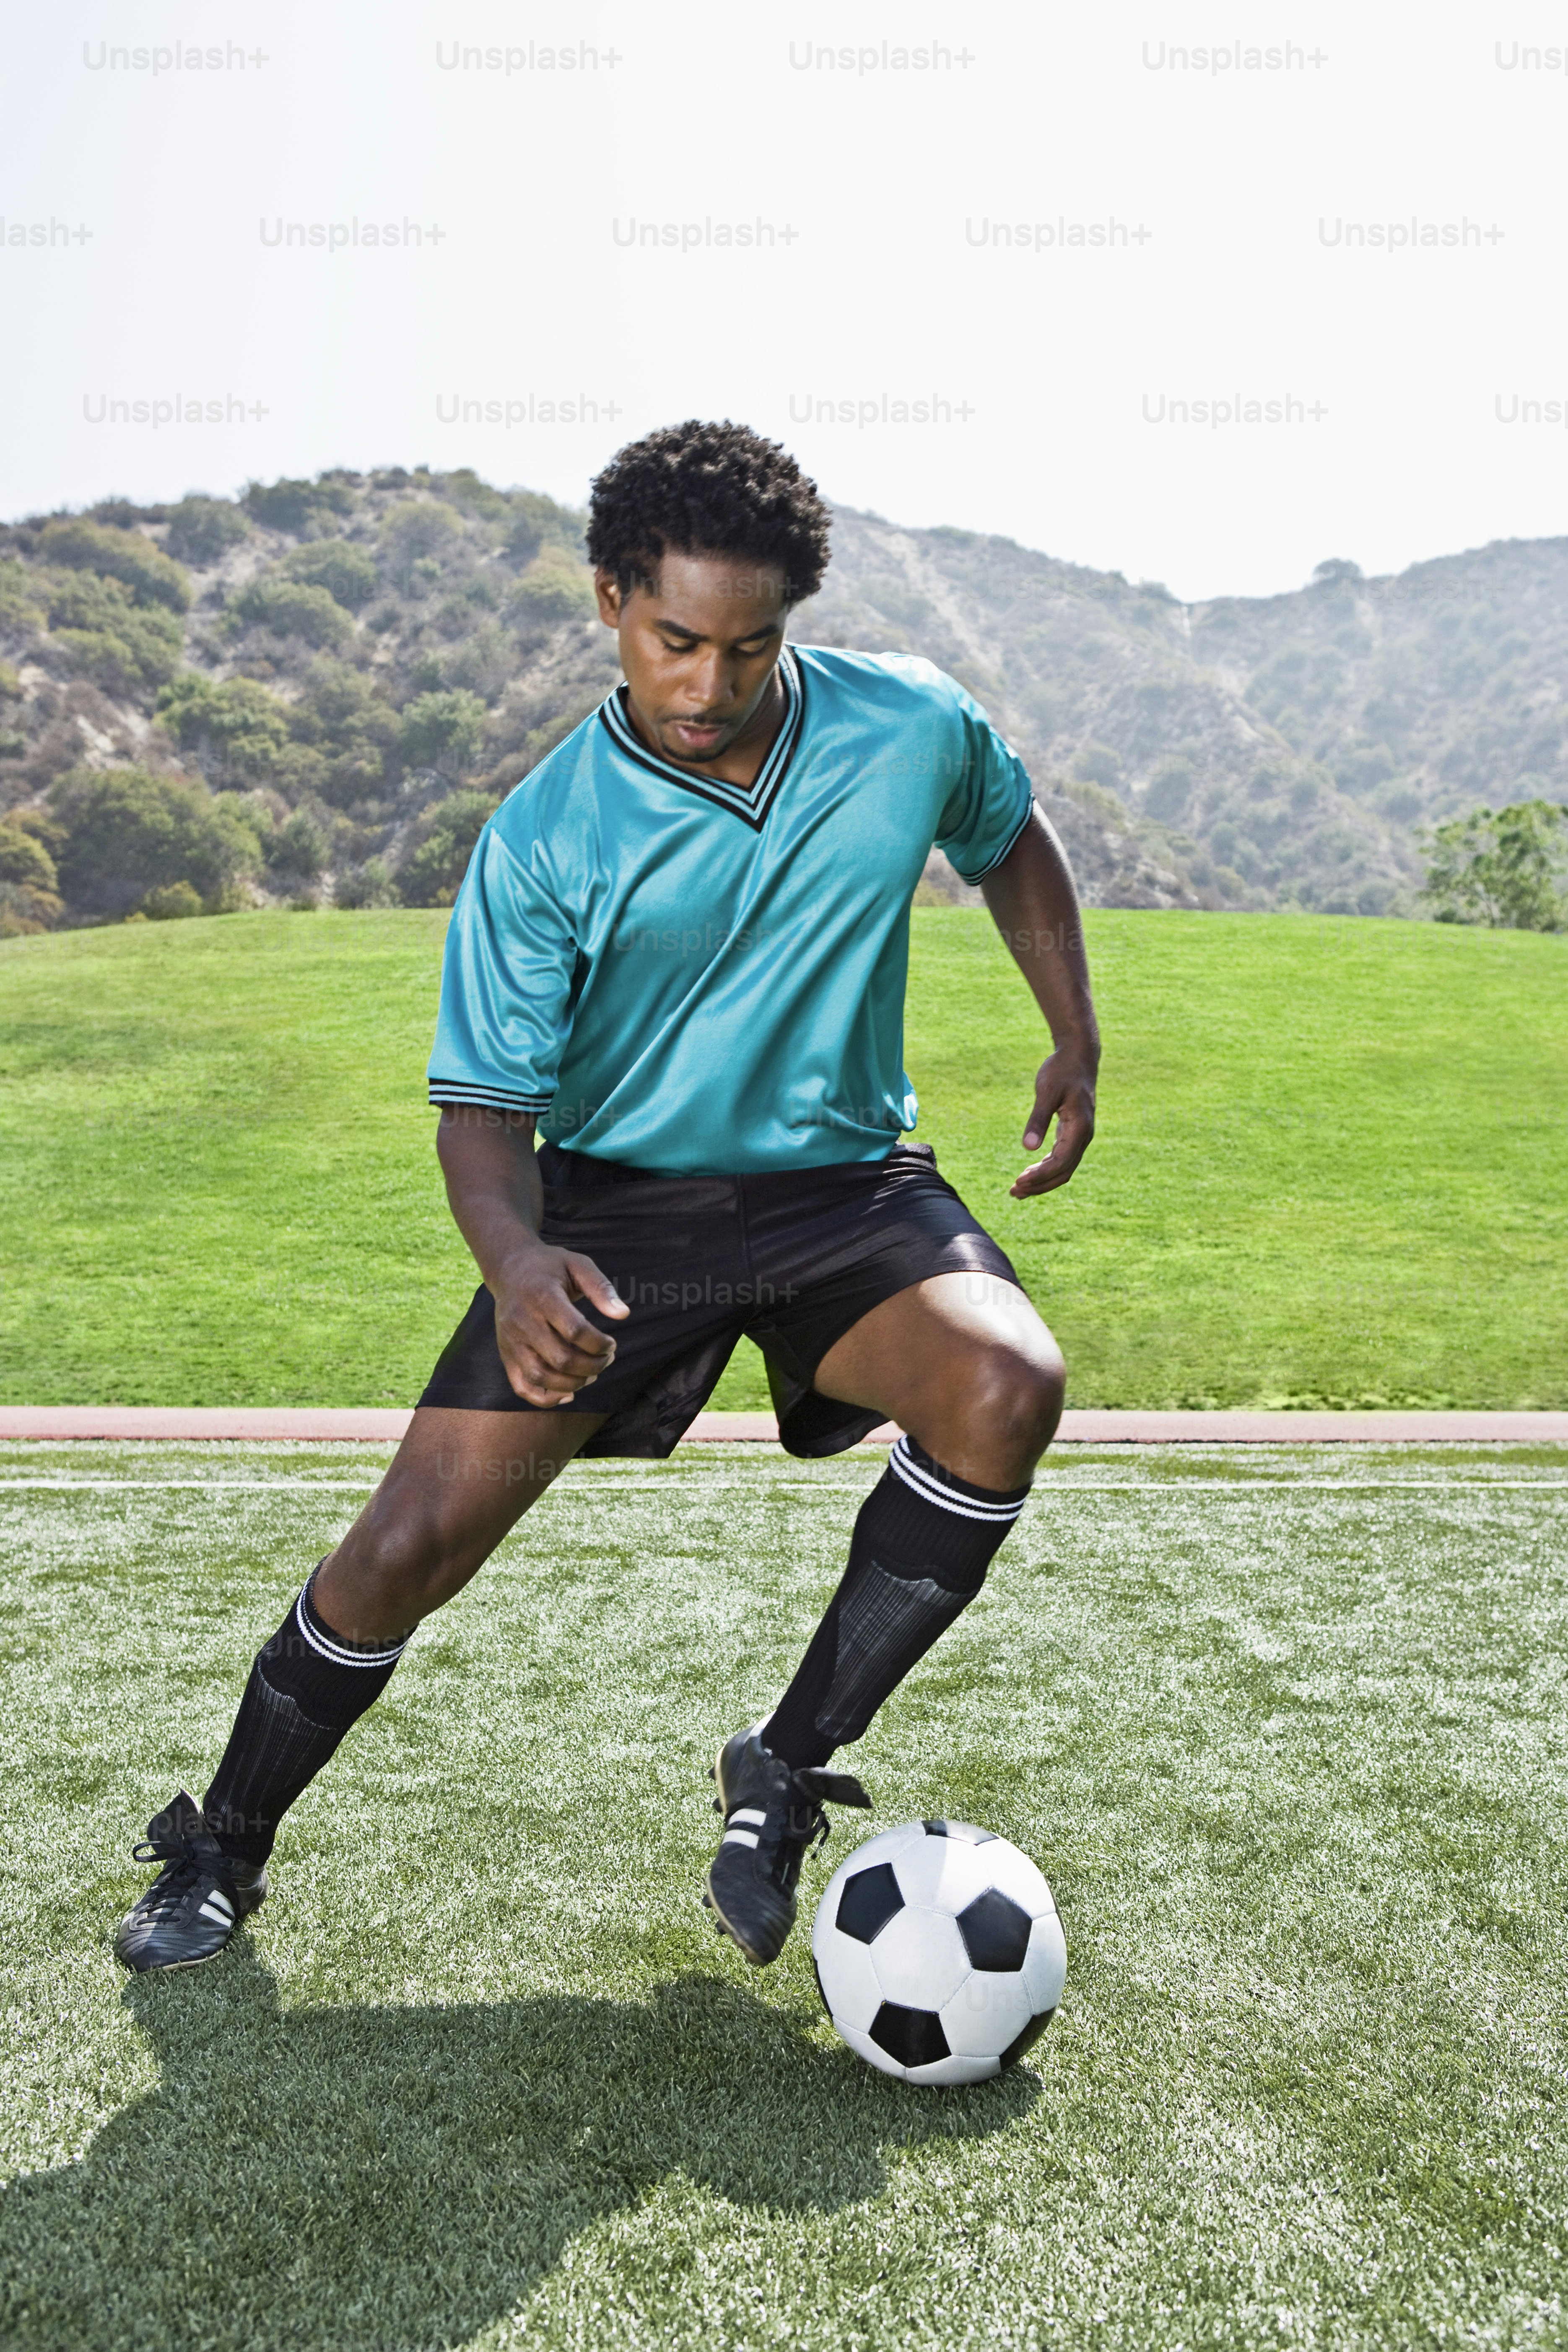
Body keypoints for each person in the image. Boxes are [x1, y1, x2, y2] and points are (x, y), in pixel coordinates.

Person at [115, 420, 1100, 1976]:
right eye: (675, 640)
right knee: (408, 1545)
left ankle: (780, 1769)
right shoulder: (547, 832)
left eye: (750, 645)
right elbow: (484, 1114)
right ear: (610, 603)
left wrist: (1072, 1030)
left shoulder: (908, 722)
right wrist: (517, 1259)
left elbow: (1008, 837)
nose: (708, 684)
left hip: (848, 1189)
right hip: (615, 1217)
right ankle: (221, 1843)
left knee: (1006, 1383)